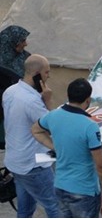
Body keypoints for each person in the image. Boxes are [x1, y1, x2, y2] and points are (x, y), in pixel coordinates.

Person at [31, 78, 102, 218]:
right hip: (84, 191)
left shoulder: (53, 116)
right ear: (88, 100)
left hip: (60, 186)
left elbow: (35, 130)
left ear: (68, 96)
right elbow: (100, 164)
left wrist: (55, 146)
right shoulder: (90, 126)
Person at [2, 55, 61, 218]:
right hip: (33, 165)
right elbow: (53, 128)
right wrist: (48, 101)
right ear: (36, 73)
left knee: (25, 209)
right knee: (56, 205)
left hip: (16, 161)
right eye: (47, 72)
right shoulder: (32, 101)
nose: (48, 76)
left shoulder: (10, 91)